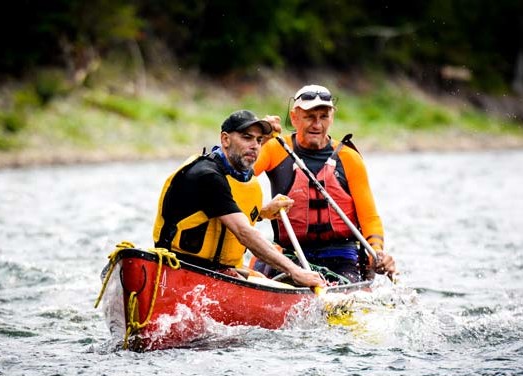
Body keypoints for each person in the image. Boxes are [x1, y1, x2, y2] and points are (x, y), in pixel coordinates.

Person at [152, 109, 325, 289]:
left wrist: (262, 212)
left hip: (218, 271)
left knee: (269, 281)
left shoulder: (237, 171)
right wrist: (295, 271)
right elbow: (243, 232)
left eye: (259, 141)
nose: (255, 146)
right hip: (181, 269)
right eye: (246, 137)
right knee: (288, 279)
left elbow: (220, 211)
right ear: (225, 139)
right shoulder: (207, 176)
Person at [253, 84, 397, 283]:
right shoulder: (274, 149)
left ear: (332, 118)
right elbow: (236, 177)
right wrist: (257, 139)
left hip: (341, 255)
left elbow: (370, 218)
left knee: (346, 287)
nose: (317, 125)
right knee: (260, 273)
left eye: (323, 117)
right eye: (310, 117)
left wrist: (377, 254)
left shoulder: (349, 158)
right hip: (289, 254)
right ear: (294, 118)